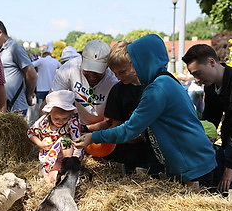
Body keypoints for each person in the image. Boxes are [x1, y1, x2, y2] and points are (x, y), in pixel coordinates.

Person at [74, 34, 217, 187]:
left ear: (144, 61)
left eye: (135, 63)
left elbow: (129, 130)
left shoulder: (157, 89)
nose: (134, 69)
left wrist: (93, 137)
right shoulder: (166, 80)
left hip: (194, 166)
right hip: (192, 162)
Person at [182, 44, 232, 192]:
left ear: (211, 62)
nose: (196, 79)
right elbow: (210, 120)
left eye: (198, 73)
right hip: (230, 144)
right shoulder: (211, 86)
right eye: (193, 74)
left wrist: (231, 167)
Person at [103, 41, 164, 175]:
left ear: (135, 64)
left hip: (155, 151)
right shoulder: (117, 91)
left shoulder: (153, 86)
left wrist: (142, 135)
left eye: (122, 72)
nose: (118, 77)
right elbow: (115, 124)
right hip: (127, 152)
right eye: (115, 73)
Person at [52, 40, 119, 132]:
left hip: (106, 130)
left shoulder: (114, 78)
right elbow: (52, 101)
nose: (92, 76)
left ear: (107, 66)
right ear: (82, 60)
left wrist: (84, 129)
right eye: (88, 70)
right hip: (80, 125)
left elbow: (111, 121)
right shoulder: (69, 68)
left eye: (98, 72)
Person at [0, 18, 37, 115]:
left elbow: (31, 74)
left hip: (16, 109)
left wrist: (29, 95)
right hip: (4, 109)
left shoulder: (14, 47)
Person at [27, 90, 82, 183]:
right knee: (51, 176)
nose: (60, 122)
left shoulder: (72, 122)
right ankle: (53, 174)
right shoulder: (44, 121)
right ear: (49, 113)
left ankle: (68, 167)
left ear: (70, 114)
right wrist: (40, 144)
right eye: (56, 118)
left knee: (65, 141)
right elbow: (30, 132)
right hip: (50, 155)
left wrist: (76, 158)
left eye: (65, 118)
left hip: (67, 154)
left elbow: (78, 140)